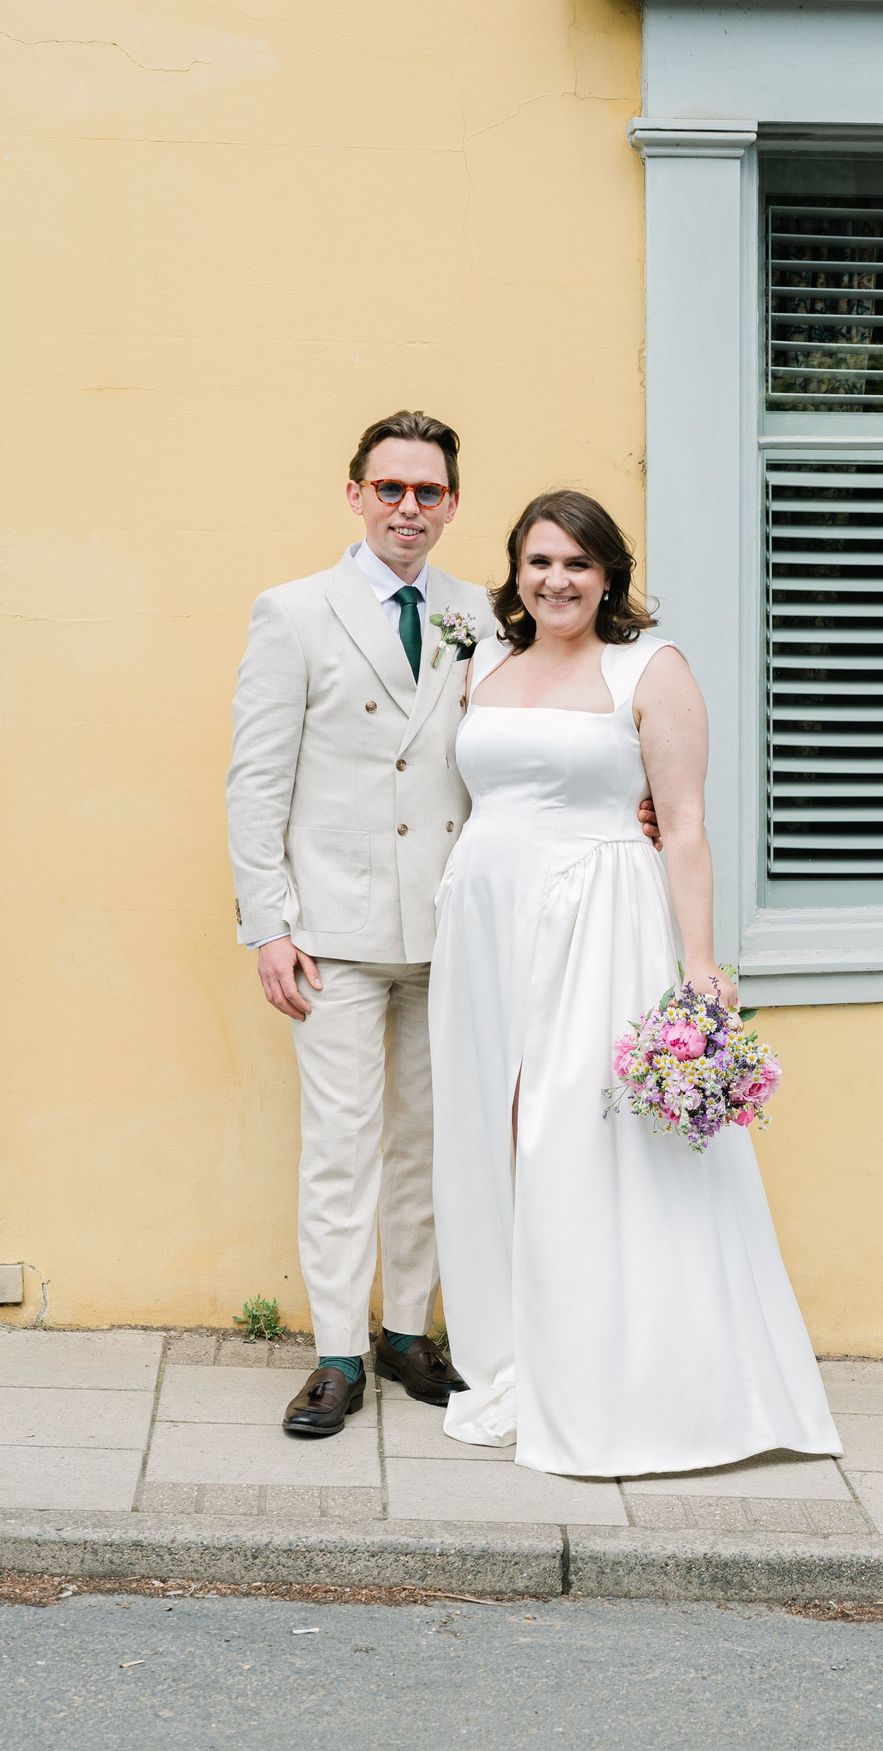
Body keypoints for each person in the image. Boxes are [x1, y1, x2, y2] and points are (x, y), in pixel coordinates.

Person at [228, 415, 656, 1437]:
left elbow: (557, 717)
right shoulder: (292, 612)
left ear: (453, 503)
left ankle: (409, 1333)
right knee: (342, 1141)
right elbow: (256, 779)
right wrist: (267, 924)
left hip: (464, 918)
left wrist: (628, 802)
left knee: (435, 1137)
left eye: (427, 492)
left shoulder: (486, 610)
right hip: (331, 925)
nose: (407, 508)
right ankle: (337, 1351)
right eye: (389, 489)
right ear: (355, 494)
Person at [428, 490, 840, 1476]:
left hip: (601, 919)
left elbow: (685, 824)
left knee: (583, 1138)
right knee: (494, 1132)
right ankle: (519, 1354)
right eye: (538, 561)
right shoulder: (484, 661)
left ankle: (622, 1375)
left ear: (608, 573)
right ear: (515, 572)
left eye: (576, 562)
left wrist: (701, 969)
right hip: (485, 920)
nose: (556, 580)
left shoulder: (650, 670)